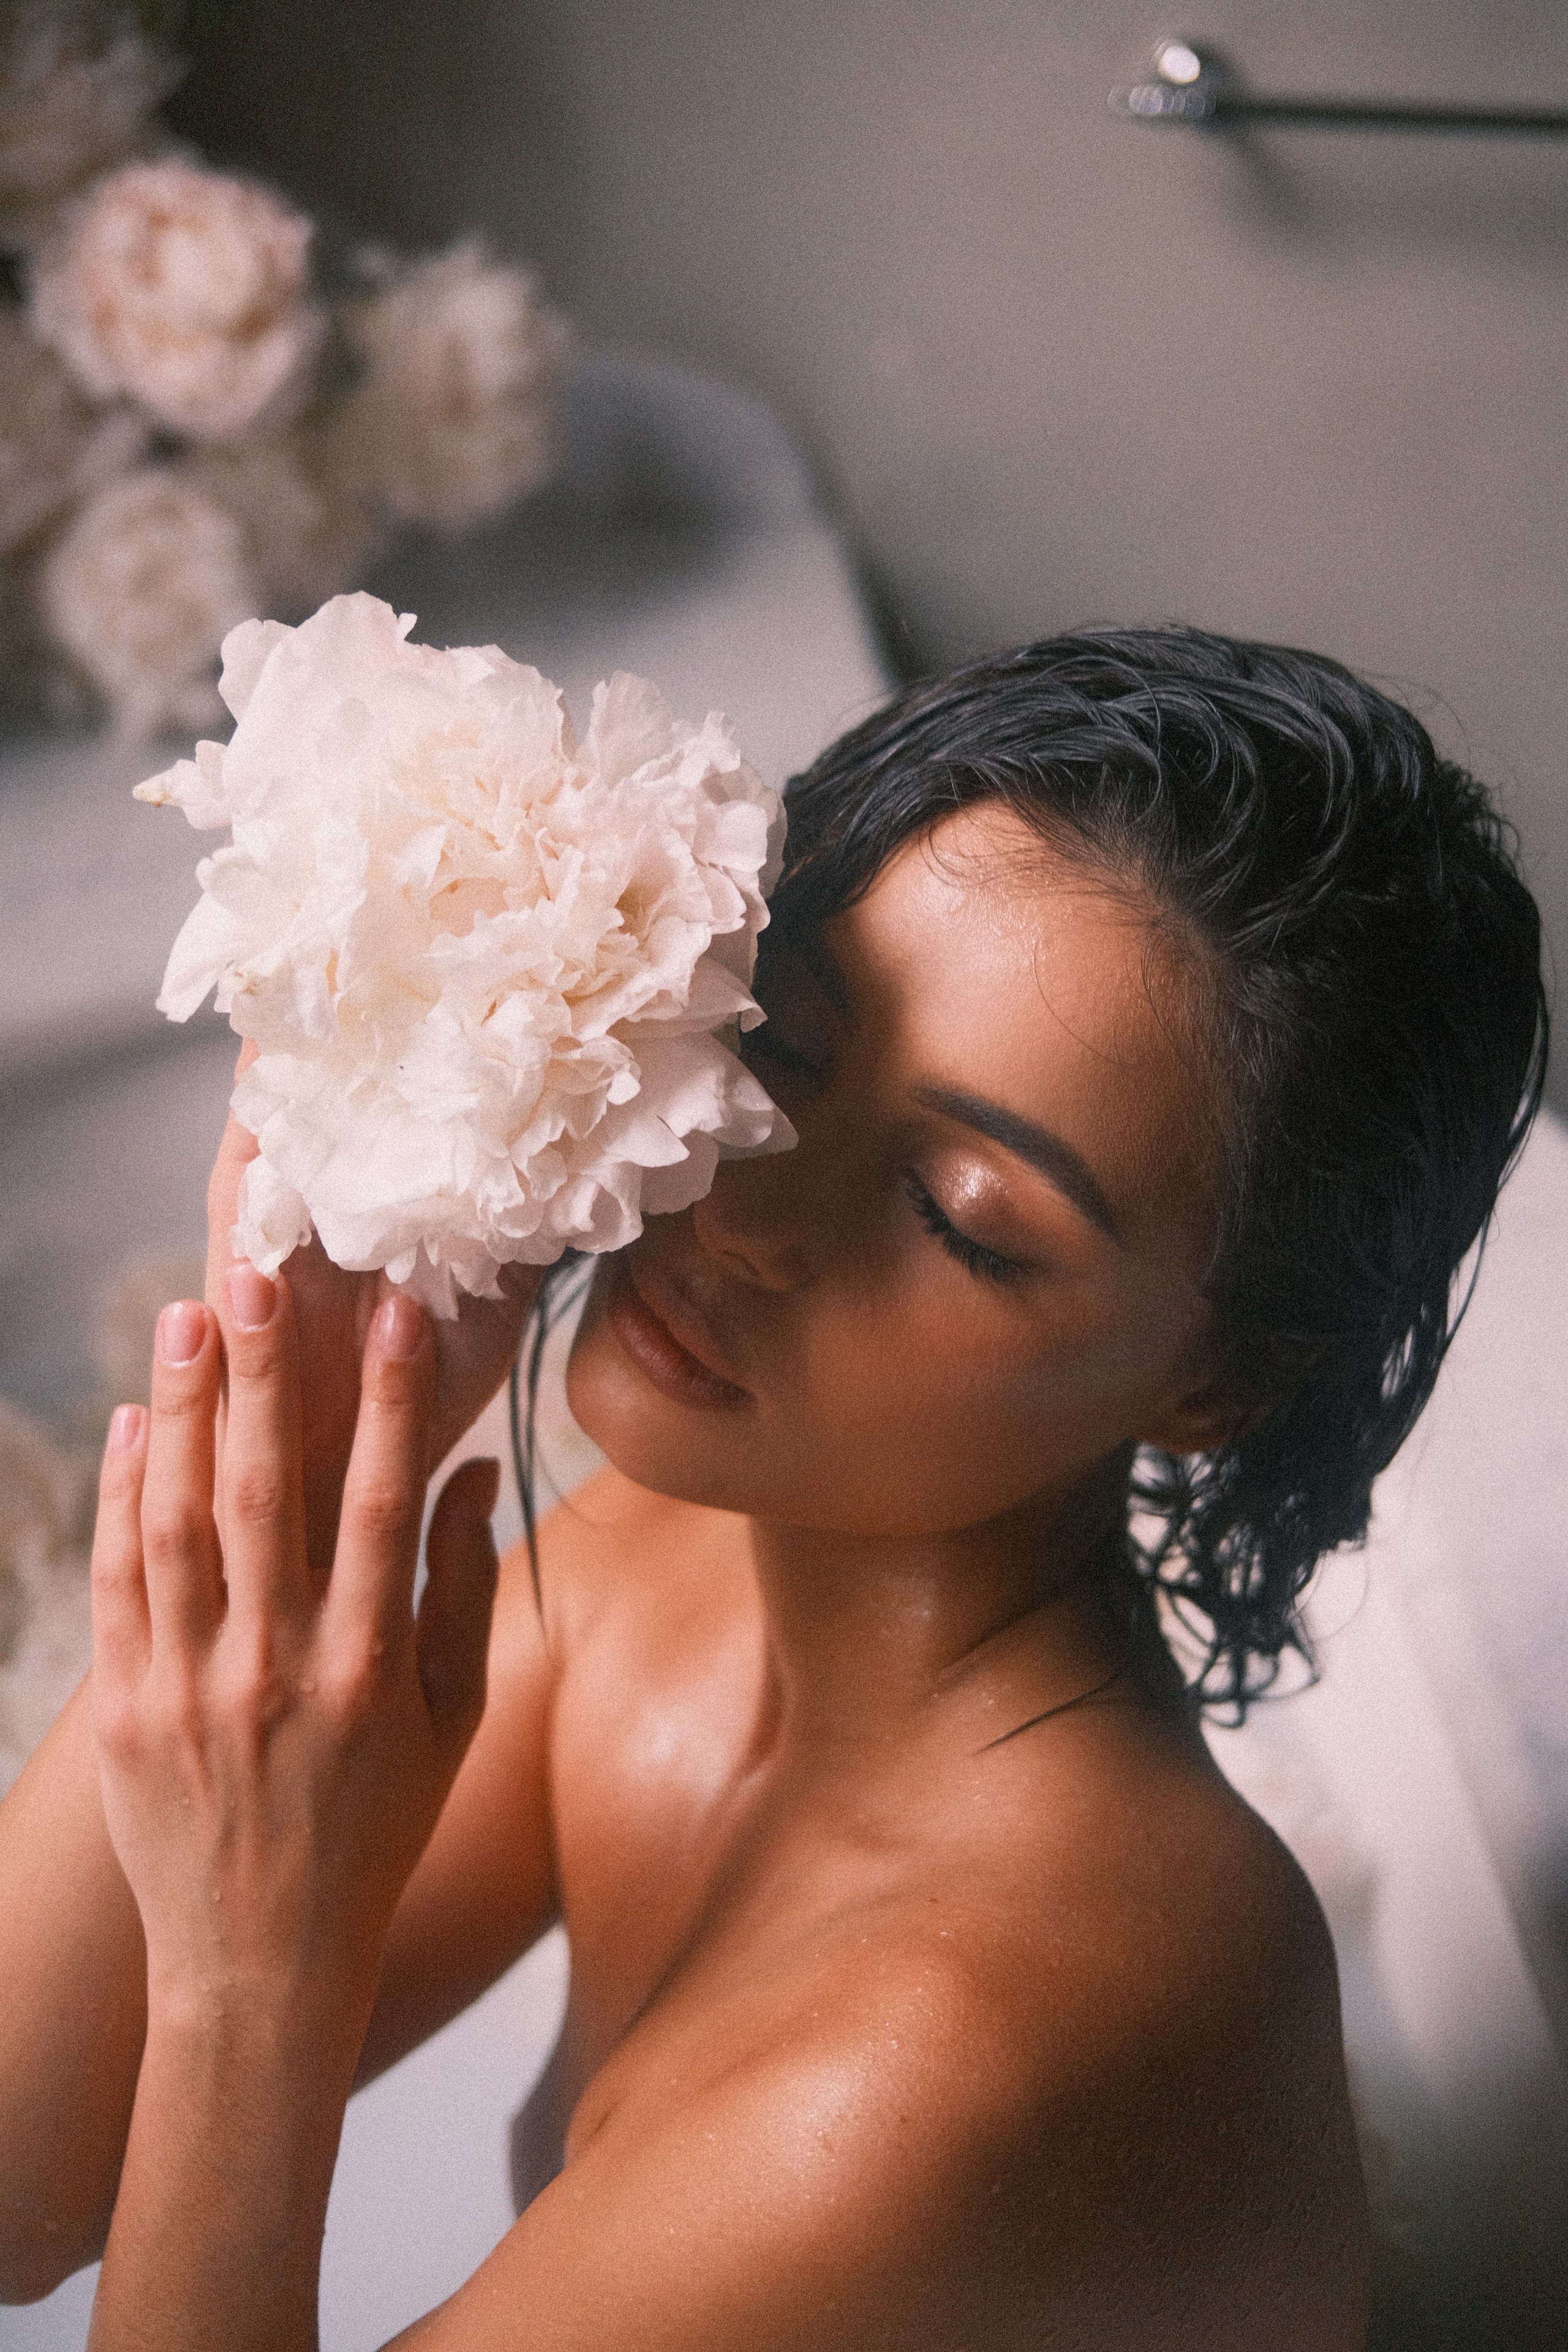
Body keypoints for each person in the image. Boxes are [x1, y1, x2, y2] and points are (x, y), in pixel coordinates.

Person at [0, 627, 1545, 2351]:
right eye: (788, 1055)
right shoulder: (684, 1552)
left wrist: (243, 1987)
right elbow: (14, 2185)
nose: (743, 1211)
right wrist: (290, 1470)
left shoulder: (954, 2059)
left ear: (1212, 1386)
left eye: (958, 1216)